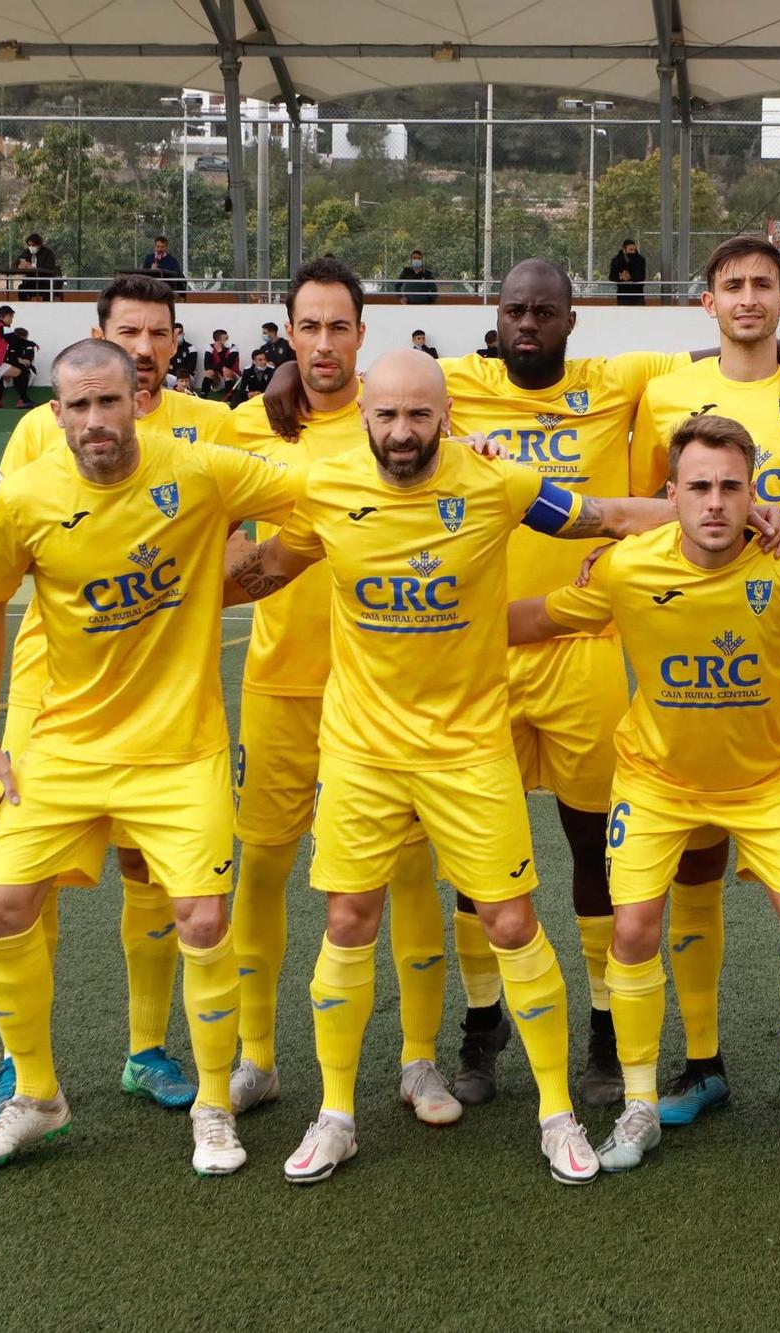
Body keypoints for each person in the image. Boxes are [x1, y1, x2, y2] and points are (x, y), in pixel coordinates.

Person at [255, 257, 780, 1111]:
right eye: (514, 311)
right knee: (476, 854)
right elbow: (359, 379)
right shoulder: (454, 381)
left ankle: (608, 1030)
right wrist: (286, 372)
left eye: (545, 311)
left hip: (582, 639)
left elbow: (736, 341)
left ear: (574, 320)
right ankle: (482, 1019)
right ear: (494, 320)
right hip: (473, 652)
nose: (528, 324)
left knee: (590, 844)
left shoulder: (619, 378)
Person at [223, 349, 774, 1186]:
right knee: (347, 921)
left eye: (419, 416)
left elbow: (601, 514)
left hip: (470, 750)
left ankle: (556, 1112)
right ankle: (336, 1113)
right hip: (363, 750)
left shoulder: (497, 485)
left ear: (447, 417)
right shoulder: (325, 487)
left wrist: (730, 508)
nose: (402, 432)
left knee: (512, 922)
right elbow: (263, 572)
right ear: (364, 413)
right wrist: (159, 588)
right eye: (388, 416)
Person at [0, 338, 298, 1174]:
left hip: (180, 751)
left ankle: (214, 1108)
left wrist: (269, 566)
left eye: (111, 401)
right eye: (79, 406)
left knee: (202, 920)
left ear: (139, 398)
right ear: (57, 412)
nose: (97, 420)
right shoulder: (27, 497)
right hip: (65, 745)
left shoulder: (201, 470)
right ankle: (37, 1096)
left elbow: (317, 485)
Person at [509, 413, 780, 1176]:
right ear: (671, 493)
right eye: (698, 486)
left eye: (733, 486)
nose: (715, 502)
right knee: (631, 930)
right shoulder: (630, 568)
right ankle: (638, 1102)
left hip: (764, 782)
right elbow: (542, 617)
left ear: (754, 493)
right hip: (657, 782)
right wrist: (444, 630)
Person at [629, 235, 780, 1130]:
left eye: (764, 284)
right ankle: (701, 1059)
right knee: (695, 859)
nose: (748, 299)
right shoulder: (666, 396)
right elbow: (643, 517)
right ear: (708, 301)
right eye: (733, 285)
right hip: (698, 681)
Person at [222, 256, 460, 1129]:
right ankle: (256, 1055)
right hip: (282, 685)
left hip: (392, 695)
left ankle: (420, 1060)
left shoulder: (399, 415)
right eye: (307, 327)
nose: (323, 343)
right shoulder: (248, 425)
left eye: (339, 326)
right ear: (287, 332)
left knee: (406, 872)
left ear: (364, 333)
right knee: (267, 863)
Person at [13, 233, 60, 300]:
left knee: (48, 288)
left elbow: (50, 268)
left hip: (45, 282)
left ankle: (47, 308)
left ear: (39, 244)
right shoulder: (26, 253)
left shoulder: (48, 253)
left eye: (33, 245)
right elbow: (15, 264)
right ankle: (24, 307)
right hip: (32, 282)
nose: (31, 247)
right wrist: (19, 266)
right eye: (29, 245)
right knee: (22, 287)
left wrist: (33, 267)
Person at [2, 327, 39, 408]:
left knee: (21, 370)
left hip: (27, 372)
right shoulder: (9, 345)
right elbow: (6, 359)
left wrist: (17, 360)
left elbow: (27, 362)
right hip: (11, 374)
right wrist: (17, 360)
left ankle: (23, 400)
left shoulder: (28, 346)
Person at [200, 329, 240, 400]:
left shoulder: (234, 347)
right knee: (209, 372)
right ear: (218, 342)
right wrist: (220, 366)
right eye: (225, 339)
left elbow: (228, 365)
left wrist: (220, 352)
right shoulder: (210, 347)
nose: (228, 341)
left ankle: (228, 398)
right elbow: (207, 366)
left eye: (228, 338)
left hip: (232, 378)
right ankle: (202, 396)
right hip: (218, 379)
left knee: (226, 370)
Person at [610, 239, 647, 306]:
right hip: (623, 294)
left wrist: (629, 277)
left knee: (640, 315)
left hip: (637, 294)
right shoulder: (616, 261)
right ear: (624, 250)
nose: (633, 252)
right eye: (630, 250)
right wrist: (620, 277)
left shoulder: (640, 260)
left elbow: (642, 276)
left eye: (634, 250)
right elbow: (612, 276)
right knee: (623, 315)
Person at [168, 322, 198, 389]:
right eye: (176, 333)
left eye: (180, 333)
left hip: (186, 376)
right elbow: (165, 366)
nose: (178, 335)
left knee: (181, 380)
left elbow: (190, 368)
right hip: (171, 375)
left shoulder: (191, 348)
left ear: (183, 333)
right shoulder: (168, 348)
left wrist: (172, 367)